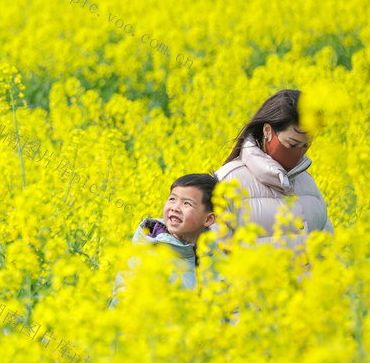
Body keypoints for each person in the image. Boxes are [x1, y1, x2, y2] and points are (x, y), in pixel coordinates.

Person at [215, 89, 334, 246]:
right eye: (292, 144)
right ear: (267, 131)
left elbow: (329, 249)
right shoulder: (228, 182)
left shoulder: (308, 184)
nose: (299, 152)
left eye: (306, 145)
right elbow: (216, 255)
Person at [110, 173, 218, 308]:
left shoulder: (217, 261)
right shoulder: (147, 255)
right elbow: (123, 300)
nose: (175, 207)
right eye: (172, 199)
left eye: (186, 203)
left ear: (208, 219)